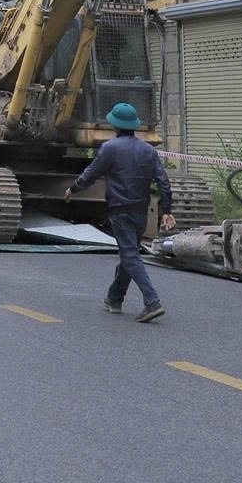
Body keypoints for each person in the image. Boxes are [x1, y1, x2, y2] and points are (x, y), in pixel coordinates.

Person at [63, 101, 175, 323]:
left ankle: (152, 302)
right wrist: (166, 210)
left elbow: (91, 174)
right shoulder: (148, 150)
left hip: (120, 210)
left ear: (114, 125)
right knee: (129, 253)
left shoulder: (110, 148)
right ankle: (114, 299)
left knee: (130, 255)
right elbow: (163, 181)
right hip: (141, 212)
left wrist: (73, 188)